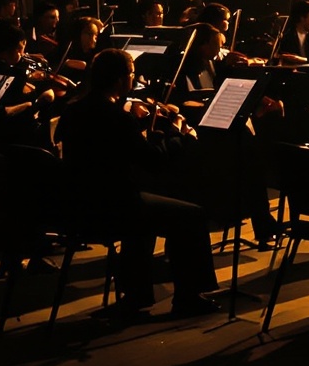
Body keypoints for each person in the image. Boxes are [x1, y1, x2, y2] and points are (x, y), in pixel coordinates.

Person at [55, 50, 219, 318]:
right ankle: (189, 297)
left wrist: (144, 134)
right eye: (131, 75)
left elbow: (117, 149)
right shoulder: (117, 117)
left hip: (78, 204)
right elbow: (153, 162)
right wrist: (179, 135)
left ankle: (137, 296)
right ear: (120, 81)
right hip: (113, 208)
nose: (132, 80)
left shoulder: (74, 109)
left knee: (144, 213)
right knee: (191, 215)